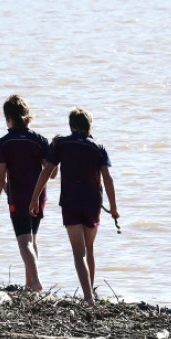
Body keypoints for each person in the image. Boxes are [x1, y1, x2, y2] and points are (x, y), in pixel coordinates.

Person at [29, 107, 118, 305]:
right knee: (89, 249)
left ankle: (88, 298)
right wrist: (114, 207)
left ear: (71, 126)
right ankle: (90, 293)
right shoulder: (98, 147)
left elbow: (47, 172)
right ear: (90, 126)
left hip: (70, 202)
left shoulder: (62, 144)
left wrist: (35, 197)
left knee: (78, 253)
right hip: (93, 203)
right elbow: (108, 179)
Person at [0, 95, 52, 292]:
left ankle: (35, 281)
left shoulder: (4, 143)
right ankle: (29, 285)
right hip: (39, 196)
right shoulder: (40, 140)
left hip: (18, 195)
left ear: (8, 117)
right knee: (32, 239)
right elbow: (52, 172)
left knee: (24, 242)